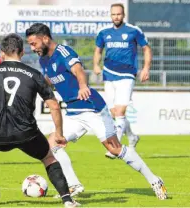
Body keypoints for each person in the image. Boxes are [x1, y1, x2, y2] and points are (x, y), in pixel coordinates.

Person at [26, 23, 167, 200]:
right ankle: (74, 184)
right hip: (73, 111)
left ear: (45, 38)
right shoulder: (44, 59)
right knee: (52, 143)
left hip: (91, 107)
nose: (32, 48)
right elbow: (50, 78)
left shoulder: (63, 52)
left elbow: (78, 70)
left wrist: (83, 85)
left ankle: (155, 180)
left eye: (34, 43)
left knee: (114, 149)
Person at [0, 33, 80, 208]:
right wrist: (59, 134)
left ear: (2, 53)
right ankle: (67, 200)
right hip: (27, 134)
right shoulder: (34, 74)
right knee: (48, 157)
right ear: (23, 52)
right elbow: (54, 106)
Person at [93, 3, 152, 158]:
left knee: (120, 111)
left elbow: (146, 48)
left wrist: (146, 68)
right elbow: (98, 50)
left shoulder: (133, 31)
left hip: (127, 75)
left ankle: (115, 146)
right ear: (110, 15)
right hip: (109, 75)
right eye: (113, 14)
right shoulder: (104, 32)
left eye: (118, 14)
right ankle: (132, 136)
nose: (116, 17)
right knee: (114, 113)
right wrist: (95, 65)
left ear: (123, 15)